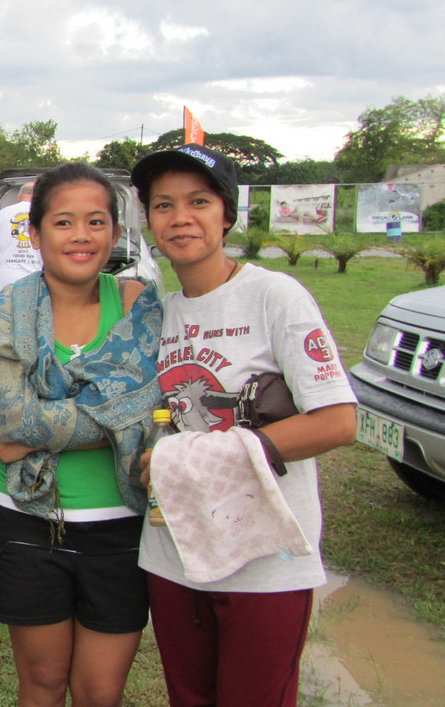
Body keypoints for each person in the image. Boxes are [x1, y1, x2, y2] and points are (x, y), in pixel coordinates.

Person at [130, 144, 357, 707]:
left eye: (198, 202)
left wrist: (204, 454)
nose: (180, 217)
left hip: (265, 559)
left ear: (227, 214)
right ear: (149, 221)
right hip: (175, 552)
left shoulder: (273, 296)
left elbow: (337, 421)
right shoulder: (158, 312)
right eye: (163, 205)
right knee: (189, 697)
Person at [0, 162, 163, 707]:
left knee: (101, 693)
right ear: (34, 233)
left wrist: (35, 435)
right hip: (25, 523)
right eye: (63, 222)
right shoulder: (6, 311)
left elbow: (149, 412)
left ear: (116, 233)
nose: (81, 235)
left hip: (120, 528)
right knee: (43, 686)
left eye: (97, 222)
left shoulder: (138, 303)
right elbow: (10, 420)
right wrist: (108, 415)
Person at [0, 181, 41, 294]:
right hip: (34, 284)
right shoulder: (42, 215)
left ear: (19, 197)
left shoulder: (3, 213)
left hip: (5, 285)